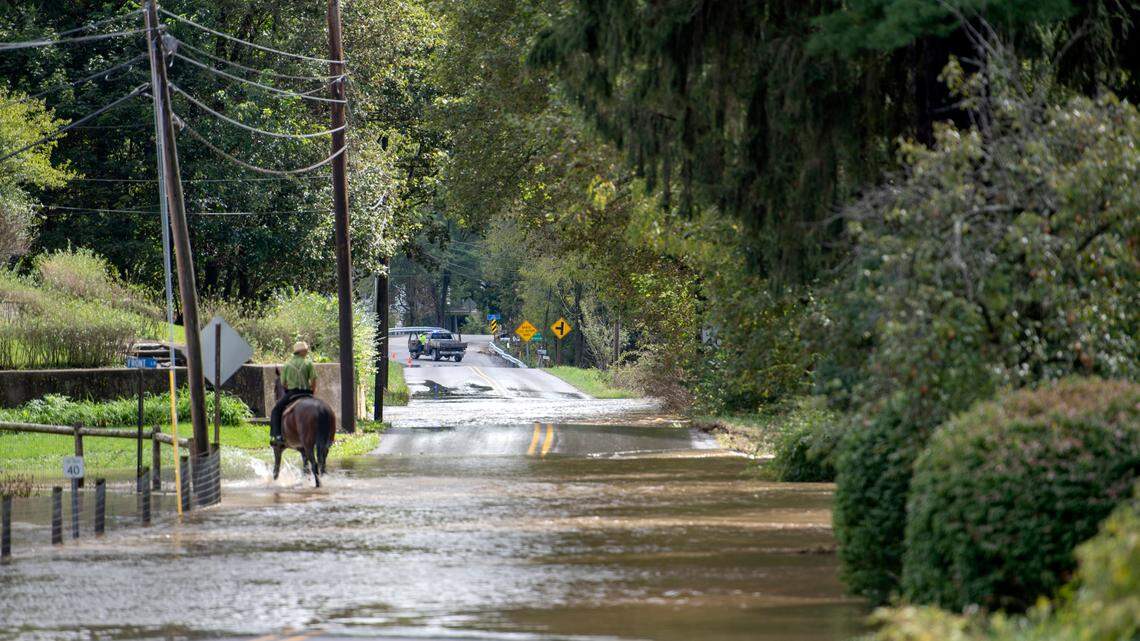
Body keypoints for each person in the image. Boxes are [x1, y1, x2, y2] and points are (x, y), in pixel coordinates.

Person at [270, 341, 317, 446]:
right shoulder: (308, 363)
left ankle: (277, 436)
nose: (306, 352)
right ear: (301, 352)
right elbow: (313, 381)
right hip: (308, 393)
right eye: (305, 351)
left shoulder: (287, 365)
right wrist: (312, 392)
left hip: (293, 393)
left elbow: (283, 383)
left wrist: (288, 388)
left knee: (276, 410)